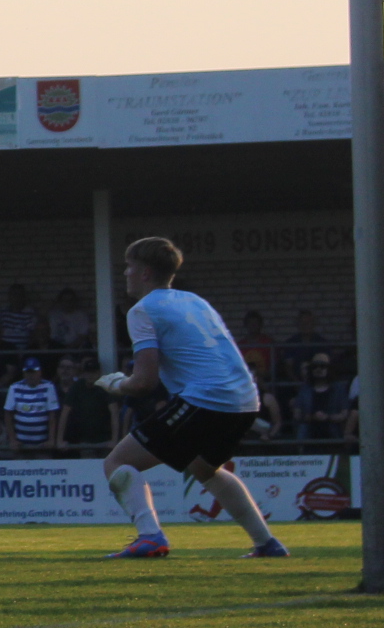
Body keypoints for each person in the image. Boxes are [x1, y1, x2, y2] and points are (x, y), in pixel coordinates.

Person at [95, 237, 286, 559]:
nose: (125, 273)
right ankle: (267, 543)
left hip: (207, 398)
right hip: (245, 400)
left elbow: (144, 383)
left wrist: (117, 384)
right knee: (204, 468)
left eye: (129, 267)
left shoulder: (143, 310)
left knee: (118, 462)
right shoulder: (194, 301)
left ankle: (150, 537)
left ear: (144, 273)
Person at [1, 358, 63, 451]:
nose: (31, 375)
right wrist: (12, 440)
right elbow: (8, 414)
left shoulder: (49, 386)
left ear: (39, 372)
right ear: (24, 373)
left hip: (43, 444)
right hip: (21, 444)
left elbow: (52, 416)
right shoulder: (14, 387)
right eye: (28, 372)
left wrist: (51, 440)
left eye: (33, 372)